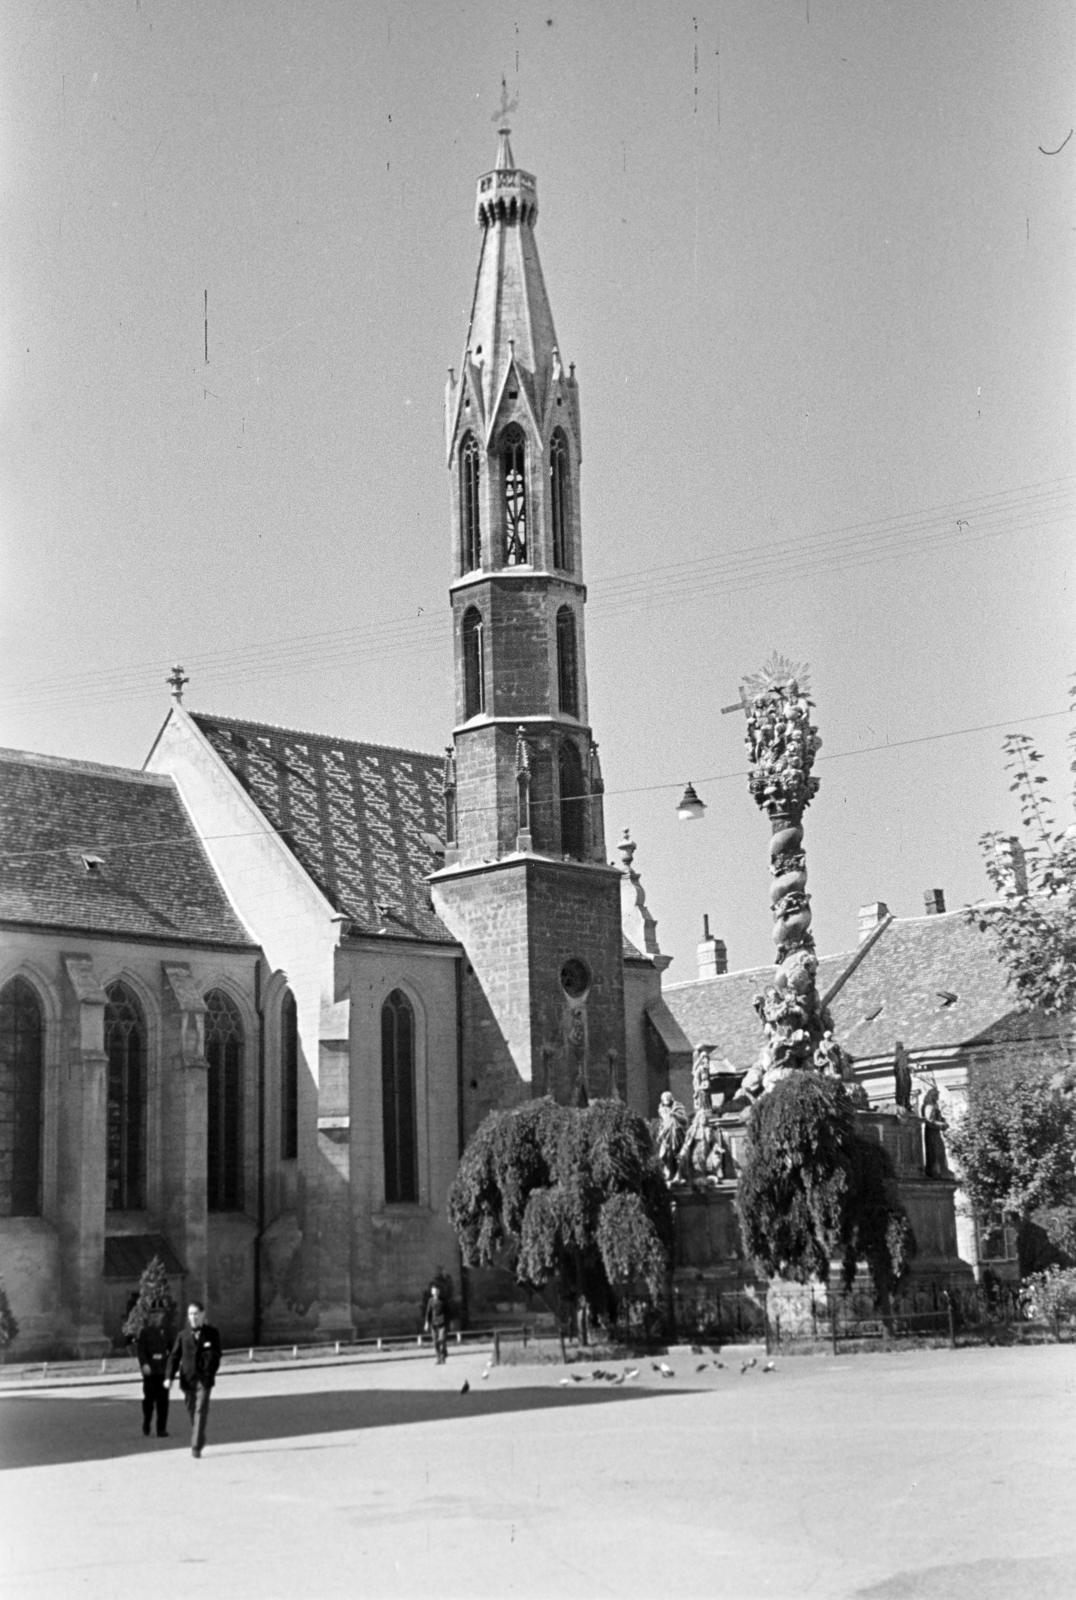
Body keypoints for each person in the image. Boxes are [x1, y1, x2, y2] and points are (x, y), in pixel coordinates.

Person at [167, 1301, 222, 1458]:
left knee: (201, 1409)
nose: (193, 1317)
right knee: (192, 1410)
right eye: (190, 1314)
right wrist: (169, 1377)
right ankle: (199, 1436)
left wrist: (210, 1369)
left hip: (204, 1379)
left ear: (203, 1314)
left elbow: (217, 1354)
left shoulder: (212, 1333)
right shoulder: (182, 1335)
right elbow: (174, 1357)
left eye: (196, 1313)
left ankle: (196, 1446)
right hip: (188, 1379)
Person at [136, 1308, 172, 1438]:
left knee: (163, 1401)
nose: (156, 1316)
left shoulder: (167, 1331)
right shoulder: (144, 1332)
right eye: (153, 1313)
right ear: (149, 1316)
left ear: (162, 1315)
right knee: (149, 1401)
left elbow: (173, 1349)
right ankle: (147, 1421)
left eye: (158, 1313)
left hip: (163, 1370)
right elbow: (141, 1351)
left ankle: (161, 1429)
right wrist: (144, 1364)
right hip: (150, 1371)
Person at [425, 1282, 448, 1364]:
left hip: (442, 1323)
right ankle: (439, 1358)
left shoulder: (443, 1300)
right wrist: (427, 1323)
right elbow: (428, 1312)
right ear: (432, 1292)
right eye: (433, 1291)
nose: (435, 1292)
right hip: (434, 1324)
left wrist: (449, 1322)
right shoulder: (430, 1301)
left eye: (436, 1291)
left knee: (442, 1340)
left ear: (439, 1291)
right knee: (435, 1342)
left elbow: (448, 1312)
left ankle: (443, 1356)